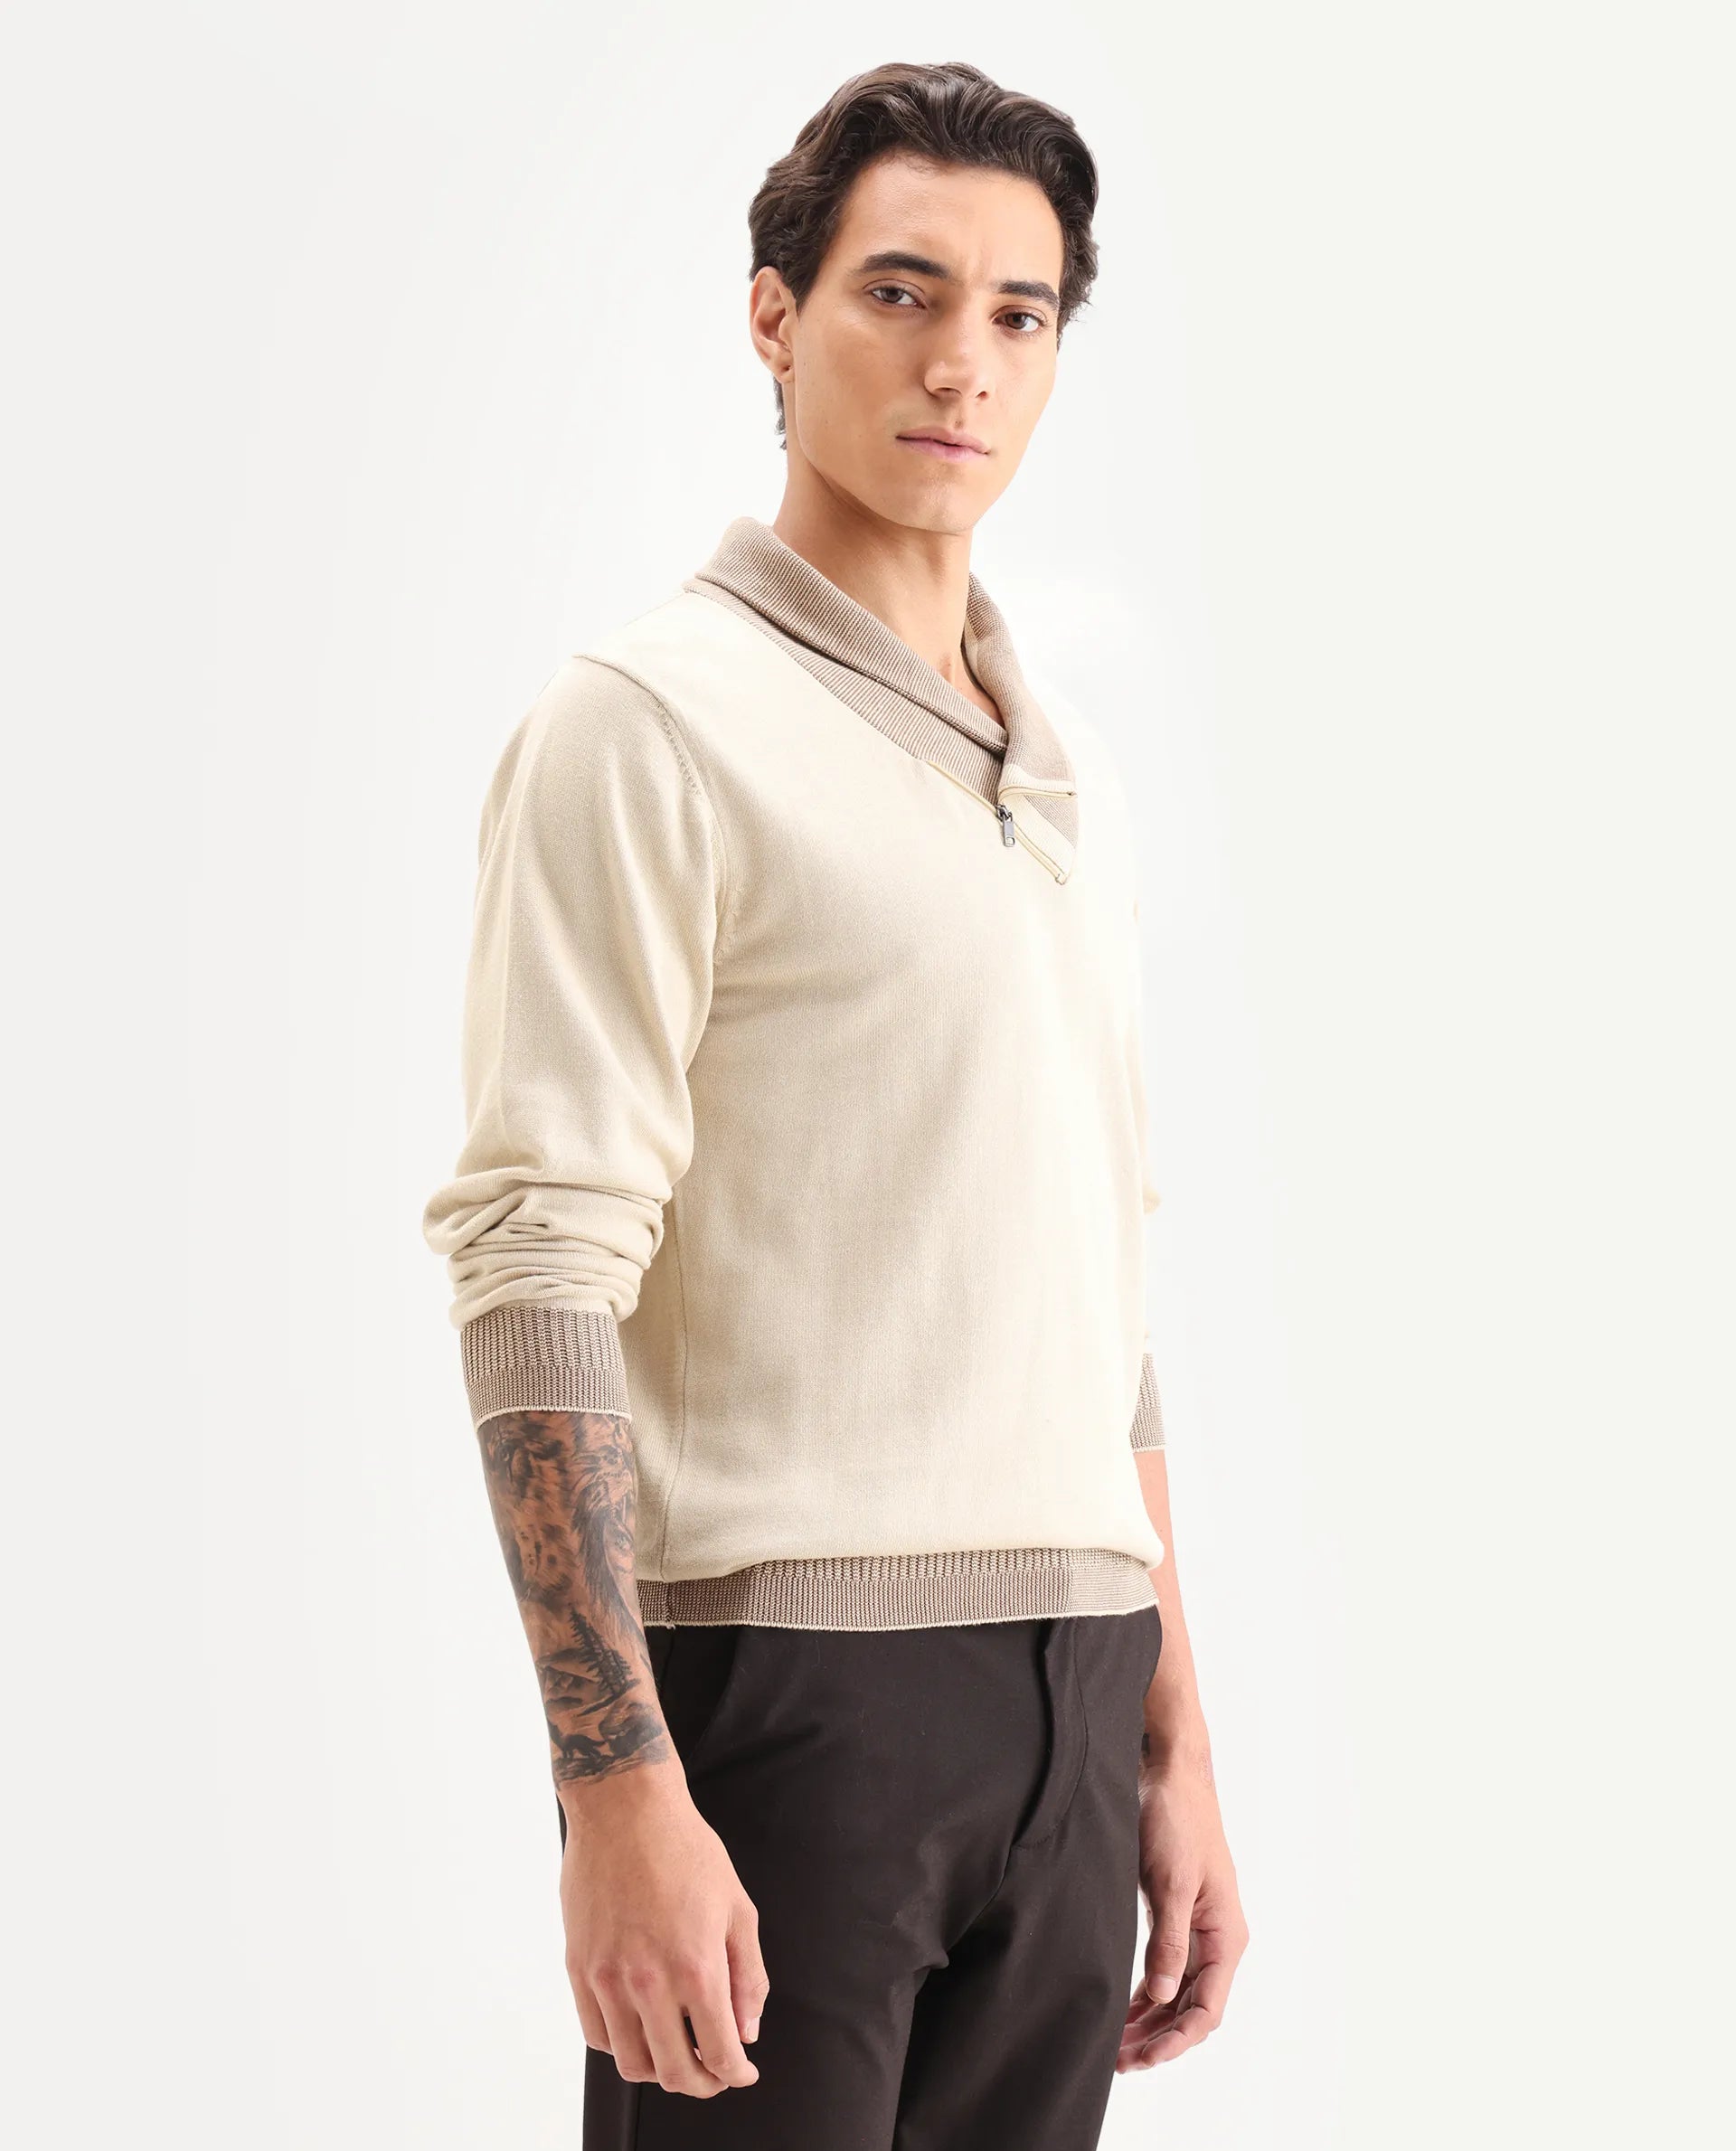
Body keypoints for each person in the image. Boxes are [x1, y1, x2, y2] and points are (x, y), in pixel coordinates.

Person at [421, 57, 1248, 2150]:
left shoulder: (1062, 769)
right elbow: (536, 1260)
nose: (961, 359)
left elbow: (1100, 1283)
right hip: (797, 1693)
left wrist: (1174, 1731)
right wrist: (614, 1783)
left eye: (1017, 311)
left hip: (1076, 1683)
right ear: (775, 317)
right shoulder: (649, 724)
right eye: (902, 290)